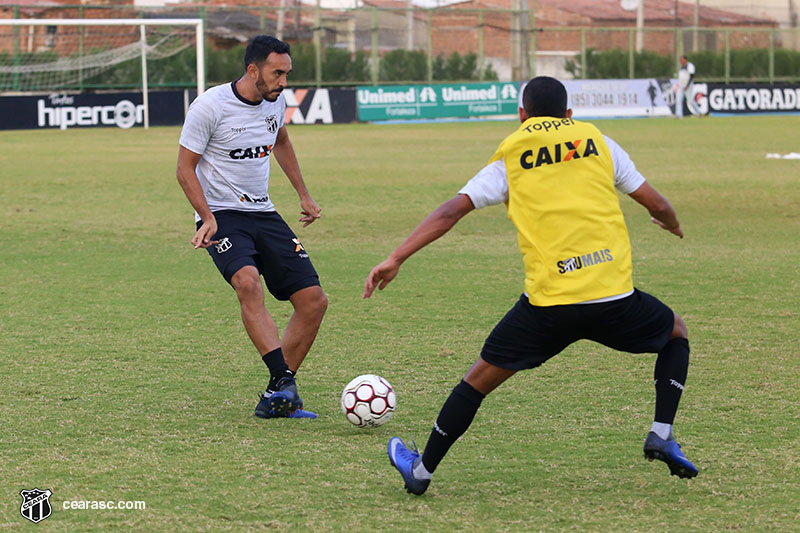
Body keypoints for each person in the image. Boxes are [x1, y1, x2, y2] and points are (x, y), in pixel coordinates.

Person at [363, 76, 698, 495]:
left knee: (476, 382)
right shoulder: (599, 143)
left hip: (549, 307)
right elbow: (658, 204)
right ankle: (662, 433)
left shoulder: (512, 155)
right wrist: (671, 223)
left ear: (521, 115)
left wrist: (396, 257)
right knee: (675, 333)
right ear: (569, 114)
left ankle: (422, 471)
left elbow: (451, 211)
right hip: (612, 298)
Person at [176, 35, 328, 419]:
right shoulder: (210, 106)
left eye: (287, 74)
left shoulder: (274, 104)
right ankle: (283, 381)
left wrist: (303, 194)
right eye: (277, 73)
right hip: (222, 214)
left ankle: (278, 393)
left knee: (314, 301)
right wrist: (206, 216)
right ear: (253, 70)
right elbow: (184, 169)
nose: (284, 82)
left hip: (263, 212)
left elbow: (282, 142)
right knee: (247, 282)